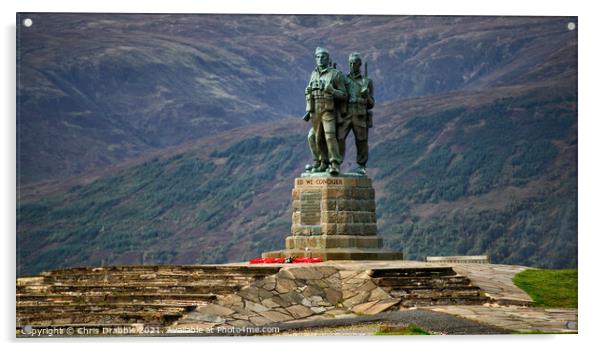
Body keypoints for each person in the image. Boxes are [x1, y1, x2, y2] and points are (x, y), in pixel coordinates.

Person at [303, 47, 347, 175]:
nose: (320, 59)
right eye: (317, 57)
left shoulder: (335, 74)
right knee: (317, 138)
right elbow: (310, 90)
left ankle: (335, 164)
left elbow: (344, 95)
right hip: (315, 110)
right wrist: (308, 93)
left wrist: (331, 90)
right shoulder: (313, 74)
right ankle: (323, 162)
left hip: (328, 109)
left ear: (328, 59)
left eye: (323, 57)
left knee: (329, 136)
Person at [338, 52, 374, 175]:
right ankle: (336, 163)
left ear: (359, 64)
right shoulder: (344, 80)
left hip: (360, 115)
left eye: (355, 63)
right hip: (346, 114)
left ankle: (362, 165)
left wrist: (367, 95)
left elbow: (371, 104)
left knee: (361, 140)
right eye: (350, 63)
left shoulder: (366, 82)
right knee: (340, 137)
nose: (352, 65)